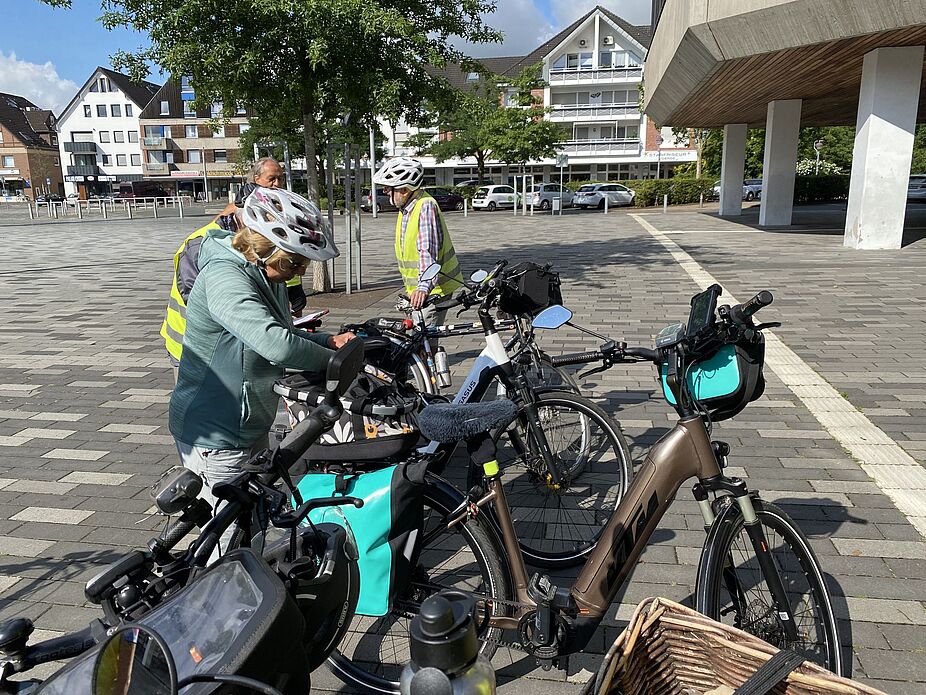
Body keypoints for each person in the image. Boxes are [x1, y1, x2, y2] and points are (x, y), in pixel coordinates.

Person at [169, 188, 354, 552]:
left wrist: (329, 342)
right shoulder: (225, 277)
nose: (300, 270)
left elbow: (283, 332)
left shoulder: (264, 274)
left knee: (249, 530)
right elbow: (277, 345)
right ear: (263, 247)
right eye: (294, 261)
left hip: (245, 421)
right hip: (216, 432)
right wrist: (332, 361)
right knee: (226, 549)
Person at [160, 158, 303, 377]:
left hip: (227, 350)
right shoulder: (200, 245)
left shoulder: (250, 242)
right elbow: (208, 300)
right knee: (199, 408)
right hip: (190, 349)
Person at [372, 157, 463, 330]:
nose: (384, 191)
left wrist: (422, 288)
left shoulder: (425, 206)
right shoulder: (407, 209)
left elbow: (427, 250)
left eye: (389, 187)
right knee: (420, 342)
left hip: (433, 289)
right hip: (421, 289)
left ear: (405, 190)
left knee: (422, 342)